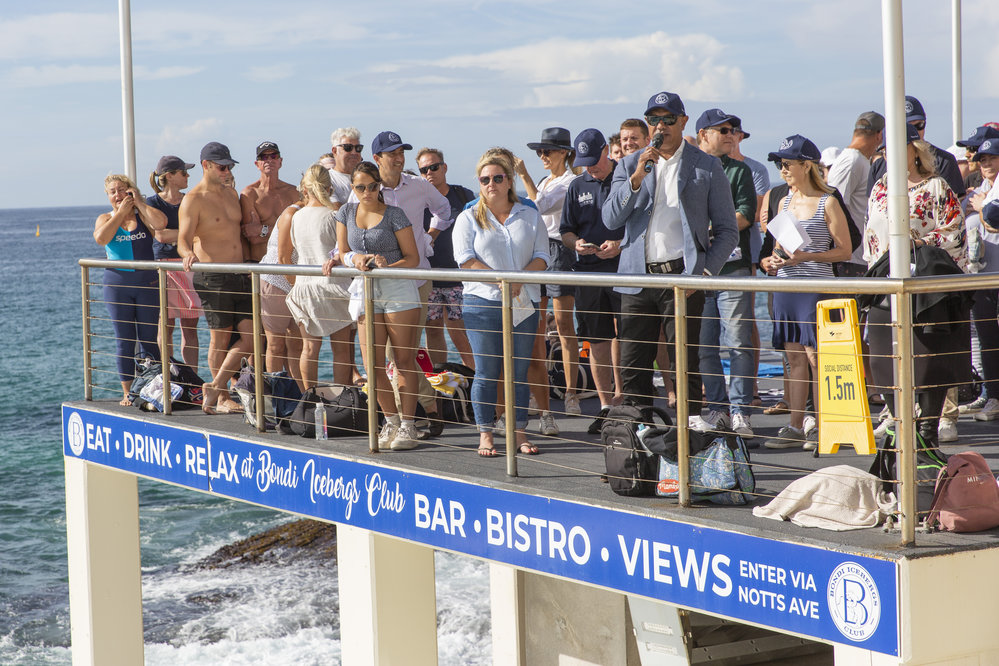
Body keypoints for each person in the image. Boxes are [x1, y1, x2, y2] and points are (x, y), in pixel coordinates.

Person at [602, 91, 740, 429]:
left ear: (683, 121)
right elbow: (610, 219)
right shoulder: (627, 165)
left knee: (684, 364)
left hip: (683, 279)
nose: (659, 125)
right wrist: (635, 178)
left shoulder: (706, 165)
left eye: (667, 119)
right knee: (634, 366)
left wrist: (703, 273)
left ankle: (688, 437)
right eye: (653, 119)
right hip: (637, 279)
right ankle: (638, 438)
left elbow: (727, 231)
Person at [864, 124, 970, 448]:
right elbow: (870, 236)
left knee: (929, 363)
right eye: (888, 148)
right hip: (887, 285)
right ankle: (900, 427)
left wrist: (917, 243)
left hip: (927, 289)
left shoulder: (937, 187)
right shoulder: (880, 188)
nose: (893, 154)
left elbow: (954, 234)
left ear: (915, 150)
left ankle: (927, 432)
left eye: (902, 146)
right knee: (883, 360)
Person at [453, 152, 550, 457]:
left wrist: (519, 278)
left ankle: (519, 433)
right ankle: (486, 433)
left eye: (498, 178)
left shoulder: (530, 215)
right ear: (479, 184)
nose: (491, 184)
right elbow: (464, 259)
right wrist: (499, 279)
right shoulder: (467, 217)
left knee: (518, 372)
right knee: (486, 371)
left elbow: (543, 256)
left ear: (509, 180)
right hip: (482, 303)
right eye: (485, 179)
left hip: (524, 302)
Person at [760, 136, 851, 450]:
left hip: (815, 288)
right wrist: (773, 260)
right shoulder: (783, 202)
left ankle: (824, 427)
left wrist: (806, 257)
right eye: (780, 165)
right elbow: (777, 247)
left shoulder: (829, 201)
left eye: (787, 164)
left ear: (806, 166)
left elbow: (844, 250)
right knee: (794, 358)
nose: (782, 170)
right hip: (787, 286)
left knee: (817, 358)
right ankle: (795, 425)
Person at [364, 131, 451, 437]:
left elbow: (444, 210)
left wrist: (429, 238)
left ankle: (414, 416)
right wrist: (343, 257)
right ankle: (422, 412)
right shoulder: (365, 190)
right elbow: (348, 229)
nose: (399, 158)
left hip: (415, 279)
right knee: (395, 355)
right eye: (392, 153)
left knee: (401, 354)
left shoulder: (419, 185)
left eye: (401, 152)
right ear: (378, 159)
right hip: (380, 284)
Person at [331, 161, 423, 451]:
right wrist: (353, 260)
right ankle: (391, 421)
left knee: (404, 360)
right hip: (364, 289)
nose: (367, 192)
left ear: (379, 186)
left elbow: (413, 258)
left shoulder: (395, 214)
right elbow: (342, 251)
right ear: (353, 188)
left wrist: (387, 264)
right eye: (360, 187)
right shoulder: (346, 212)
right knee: (373, 365)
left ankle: (408, 426)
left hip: (397, 287)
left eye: (372, 186)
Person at [694, 109, 758, 438]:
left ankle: (740, 413)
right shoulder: (689, 168)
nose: (731, 133)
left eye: (733, 129)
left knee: (737, 343)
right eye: (723, 129)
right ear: (703, 133)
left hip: (732, 269)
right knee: (704, 346)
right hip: (698, 272)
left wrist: (709, 229)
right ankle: (718, 410)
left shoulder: (739, 171)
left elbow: (747, 214)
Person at [178, 141, 252, 414]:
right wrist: (187, 254)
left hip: (241, 274)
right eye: (222, 166)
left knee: (250, 338)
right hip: (213, 277)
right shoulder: (194, 199)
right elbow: (183, 240)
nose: (227, 171)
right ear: (206, 166)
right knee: (219, 339)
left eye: (230, 166)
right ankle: (221, 398)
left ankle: (215, 385)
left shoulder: (232, 194)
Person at [559, 129, 625, 433]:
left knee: (627, 337)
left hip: (624, 269)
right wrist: (577, 245)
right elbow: (567, 231)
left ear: (606, 151)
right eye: (584, 162)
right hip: (587, 271)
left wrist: (620, 243)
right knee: (596, 340)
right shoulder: (577, 185)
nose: (591, 167)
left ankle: (626, 400)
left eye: (594, 160)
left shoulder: (625, 177)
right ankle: (605, 406)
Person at [514, 128, 582, 415]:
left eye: (548, 151)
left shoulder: (571, 181)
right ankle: (537, 393)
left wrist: (524, 176)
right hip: (540, 251)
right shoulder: (547, 180)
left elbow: (539, 205)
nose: (542, 156)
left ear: (564, 153)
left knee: (565, 326)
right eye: (540, 151)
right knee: (537, 327)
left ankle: (571, 393)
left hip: (560, 251)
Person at [94, 174, 167, 405]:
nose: (118, 195)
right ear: (108, 195)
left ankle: (153, 386)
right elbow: (101, 238)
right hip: (117, 285)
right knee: (124, 340)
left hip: (147, 284)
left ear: (130, 191)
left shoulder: (143, 216)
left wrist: (141, 204)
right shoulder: (105, 218)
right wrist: (120, 214)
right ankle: (128, 391)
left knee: (148, 339)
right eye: (113, 191)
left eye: (122, 190)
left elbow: (161, 224)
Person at [281, 165, 354, 388]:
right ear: (329, 186)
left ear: (305, 188)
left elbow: (289, 256)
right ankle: (343, 399)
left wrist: (295, 283)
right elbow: (345, 251)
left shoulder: (296, 217)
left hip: (304, 288)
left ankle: (309, 399)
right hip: (333, 287)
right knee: (341, 350)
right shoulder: (334, 215)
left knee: (309, 349)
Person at [416, 147, 476, 368]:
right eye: (424, 170)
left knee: (460, 331)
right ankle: (439, 379)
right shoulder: (417, 200)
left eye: (434, 167)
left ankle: (473, 380)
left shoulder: (463, 195)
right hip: (429, 275)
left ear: (444, 167)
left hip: (458, 276)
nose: (429, 172)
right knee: (432, 330)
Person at [146, 155, 202, 370]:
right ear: (169, 176)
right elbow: (160, 235)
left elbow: (169, 234)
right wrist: (190, 234)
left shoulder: (189, 200)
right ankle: (168, 375)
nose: (188, 176)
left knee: (190, 327)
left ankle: (192, 377)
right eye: (183, 172)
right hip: (166, 268)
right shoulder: (153, 203)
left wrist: (178, 234)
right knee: (166, 327)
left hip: (188, 266)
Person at [961, 137, 999, 420]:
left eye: (993, 158)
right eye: (982, 160)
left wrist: (984, 206)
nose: (987, 164)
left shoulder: (984, 196)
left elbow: (994, 220)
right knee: (986, 338)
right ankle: (991, 395)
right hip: (981, 276)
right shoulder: (977, 191)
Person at [827, 112, 885, 278]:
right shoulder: (851, 160)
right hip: (850, 260)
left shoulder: (859, 160)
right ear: (879, 135)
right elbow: (834, 208)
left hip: (858, 258)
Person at [258, 194, 305, 389]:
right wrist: (296, 288)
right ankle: (275, 397)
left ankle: (301, 395)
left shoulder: (317, 213)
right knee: (276, 344)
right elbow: (283, 257)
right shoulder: (291, 213)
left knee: (297, 345)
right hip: (276, 280)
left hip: (296, 282)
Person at [239, 141, 301, 262]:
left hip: (289, 263)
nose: (269, 160)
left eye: (273, 156)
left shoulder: (293, 192)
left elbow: (298, 232)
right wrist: (284, 232)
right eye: (264, 157)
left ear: (280, 161)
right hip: (260, 262)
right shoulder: (249, 194)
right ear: (257, 164)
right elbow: (253, 238)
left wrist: (261, 230)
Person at [328, 127, 364, 204]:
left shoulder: (369, 178)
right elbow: (337, 210)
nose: (354, 152)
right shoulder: (327, 179)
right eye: (348, 148)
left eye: (358, 148)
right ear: (334, 151)